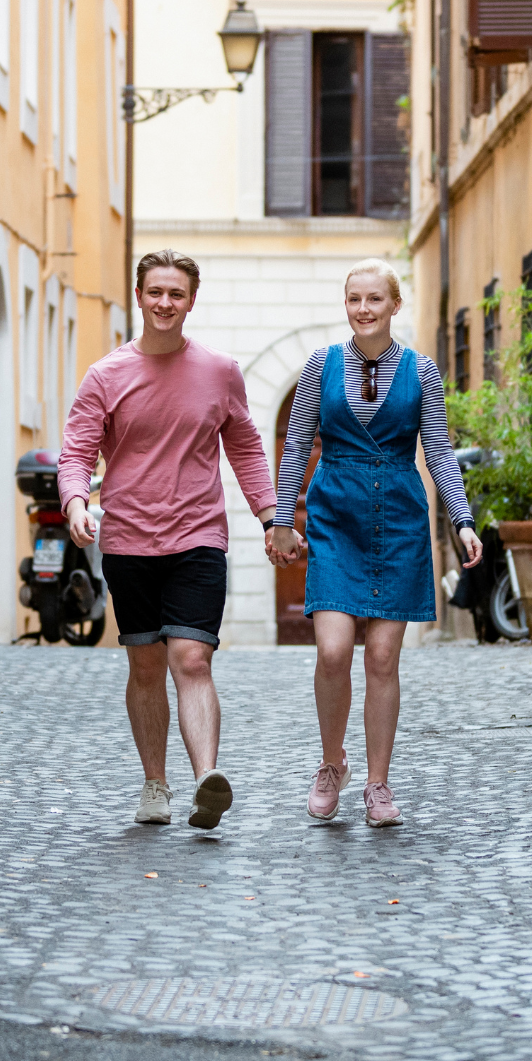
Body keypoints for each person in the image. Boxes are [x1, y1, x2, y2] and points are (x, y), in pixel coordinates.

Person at [59, 250, 281, 829]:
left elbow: (247, 448)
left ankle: (206, 777)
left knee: (192, 658)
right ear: (139, 296)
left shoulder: (219, 371)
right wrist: (77, 502)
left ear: (191, 301)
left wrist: (269, 514)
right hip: (129, 539)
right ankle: (154, 783)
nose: (165, 303)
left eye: (176, 294)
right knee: (145, 666)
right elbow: (78, 451)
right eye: (155, 292)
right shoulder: (107, 375)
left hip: (198, 536)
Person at [269, 259, 482, 827]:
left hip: (400, 520)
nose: (363, 309)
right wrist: (282, 520)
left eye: (374, 299)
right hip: (336, 517)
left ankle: (378, 784)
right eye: (354, 299)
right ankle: (330, 763)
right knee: (334, 652)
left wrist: (461, 519)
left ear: (394, 306)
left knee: (383, 657)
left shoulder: (424, 372)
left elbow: (437, 451)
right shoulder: (321, 365)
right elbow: (295, 446)